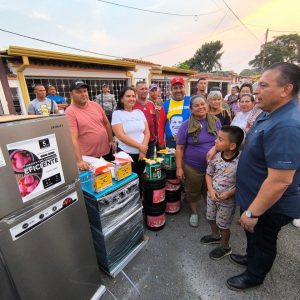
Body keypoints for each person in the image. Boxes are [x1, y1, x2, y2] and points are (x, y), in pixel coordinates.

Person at [227, 63, 300, 291]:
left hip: (269, 205)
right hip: (253, 195)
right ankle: (251, 258)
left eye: (264, 85)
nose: (257, 91)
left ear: (285, 89)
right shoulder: (270, 113)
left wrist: (253, 212)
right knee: (253, 237)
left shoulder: (287, 125)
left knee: (263, 240)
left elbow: (280, 180)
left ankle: (254, 275)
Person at [176, 95, 221, 227]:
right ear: (191, 109)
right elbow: (179, 148)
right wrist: (179, 168)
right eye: (196, 105)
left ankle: (210, 212)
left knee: (209, 189)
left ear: (207, 105)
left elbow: (221, 140)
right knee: (192, 190)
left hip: (212, 165)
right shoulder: (185, 126)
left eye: (203, 104)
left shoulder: (215, 121)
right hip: (192, 166)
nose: (200, 107)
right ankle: (194, 212)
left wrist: (214, 148)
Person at [200, 126, 244, 260]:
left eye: (220, 139)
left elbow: (243, 181)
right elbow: (208, 175)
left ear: (232, 146)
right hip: (212, 196)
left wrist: (230, 193)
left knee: (223, 225)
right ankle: (215, 236)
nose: (215, 141)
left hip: (227, 201)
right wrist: (211, 190)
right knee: (210, 218)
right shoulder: (216, 157)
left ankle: (225, 247)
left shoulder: (241, 161)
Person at [65, 79, 115, 171]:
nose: (83, 94)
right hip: (89, 157)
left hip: (106, 151)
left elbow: (107, 123)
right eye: (79, 92)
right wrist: (79, 160)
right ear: (71, 94)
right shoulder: (70, 112)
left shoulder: (96, 105)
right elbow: (73, 138)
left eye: (85, 91)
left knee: (111, 180)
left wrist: (111, 140)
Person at [111, 87, 150, 183]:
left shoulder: (139, 112)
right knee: (128, 182)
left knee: (141, 177)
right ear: (121, 99)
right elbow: (120, 136)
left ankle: (141, 197)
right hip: (126, 155)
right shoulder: (117, 114)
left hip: (142, 154)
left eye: (133, 96)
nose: (131, 98)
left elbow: (147, 132)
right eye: (128, 96)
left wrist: (143, 149)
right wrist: (141, 147)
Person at [158, 77, 190, 149]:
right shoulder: (166, 105)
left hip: (188, 141)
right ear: (171, 90)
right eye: (175, 88)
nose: (178, 90)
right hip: (171, 142)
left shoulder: (191, 101)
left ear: (184, 88)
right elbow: (161, 125)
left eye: (180, 87)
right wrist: (161, 142)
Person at [134, 82, 157, 158]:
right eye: (142, 89)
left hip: (151, 141)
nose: (144, 91)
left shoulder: (151, 104)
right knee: (140, 166)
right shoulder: (132, 105)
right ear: (136, 91)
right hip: (138, 142)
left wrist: (157, 135)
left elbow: (155, 122)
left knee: (150, 164)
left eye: (146, 89)